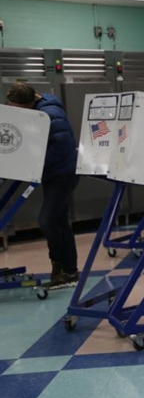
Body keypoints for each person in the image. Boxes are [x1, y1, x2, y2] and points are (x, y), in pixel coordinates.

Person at [6, 83, 80, 290]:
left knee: (47, 220)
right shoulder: (35, 110)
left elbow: (62, 146)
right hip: (54, 173)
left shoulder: (50, 114)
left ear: (28, 104)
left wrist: (35, 165)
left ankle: (60, 267)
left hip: (63, 173)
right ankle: (68, 271)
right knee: (59, 221)